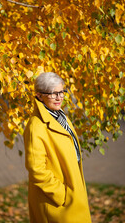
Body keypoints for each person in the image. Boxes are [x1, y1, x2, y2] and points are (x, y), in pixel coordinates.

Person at [23, 72, 92, 223]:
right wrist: (62, 194)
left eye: (61, 92)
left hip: (72, 194)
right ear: (40, 96)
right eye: (53, 93)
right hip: (56, 204)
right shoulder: (36, 126)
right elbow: (36, 170)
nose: (59, 97)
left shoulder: (60, 116)